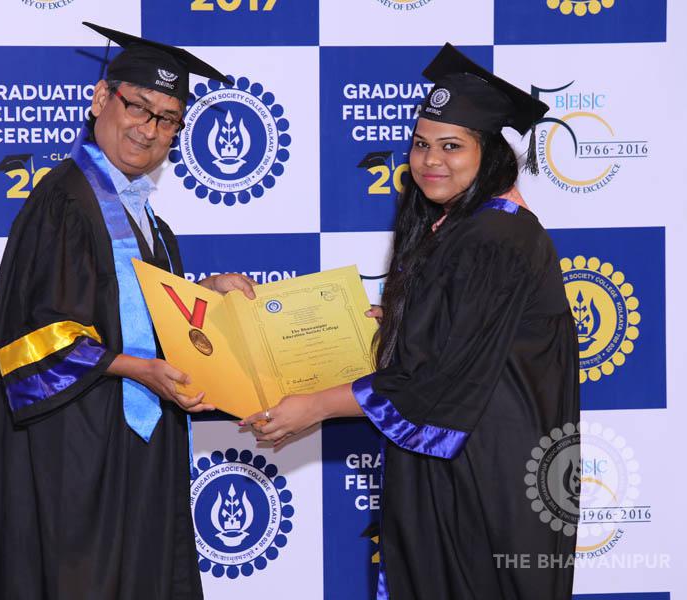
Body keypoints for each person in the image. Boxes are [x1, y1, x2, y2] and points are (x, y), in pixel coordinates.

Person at [243, 44, 579, 599]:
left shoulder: (497, 237)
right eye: (421, 144)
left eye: (452, 146)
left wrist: (318, 405)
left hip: (483, 481)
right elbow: (458, 336)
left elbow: (441, 376)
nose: (430, 161)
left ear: (491, 153)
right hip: (459, 469)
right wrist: (399, 323)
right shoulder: (462, 228)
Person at [0, 23, 255, 600]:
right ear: (102, 98)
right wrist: (140, 370)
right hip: (76, 448)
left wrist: (204, 293)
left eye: (168, 119)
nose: (149, 129)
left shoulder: (144, 215)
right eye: (138, 107)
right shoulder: (62, 202)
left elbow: (130, 313)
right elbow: (33, 340)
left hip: (134, 444)